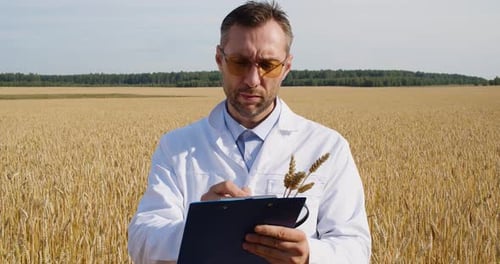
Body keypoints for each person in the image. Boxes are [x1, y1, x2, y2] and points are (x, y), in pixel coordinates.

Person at [128, 1, 371, 263]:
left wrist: (310, 254)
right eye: (239, 62)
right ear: (219, 60)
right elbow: (141, 240)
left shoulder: (328, 147)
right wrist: (201, 226)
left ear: (286, 67)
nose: (253, 80)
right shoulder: (175, 147)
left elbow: (356, 248)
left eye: (268, 65)